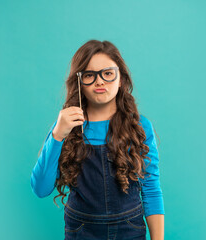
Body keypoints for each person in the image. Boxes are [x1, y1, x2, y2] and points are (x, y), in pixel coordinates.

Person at [31, 40, 165, 240]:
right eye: (89, 75)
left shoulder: (139, 127)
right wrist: (58, 135)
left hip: (130, 231)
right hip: (82, 231)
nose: (99, 81)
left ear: (120, 79)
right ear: (79, 82)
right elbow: (41, 189)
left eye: (108, 73)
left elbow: (151, 189)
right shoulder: (66, 127)